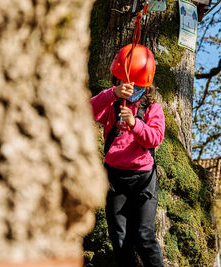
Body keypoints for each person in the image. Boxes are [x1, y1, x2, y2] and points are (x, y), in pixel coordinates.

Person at [90, 44, 165, 267]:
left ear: (146, 86)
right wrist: (111, 94)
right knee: (120, 238)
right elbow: (87, 111)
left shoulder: (152, 109)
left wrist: (135, 124)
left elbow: (155, 138)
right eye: (123, 83)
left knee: (144, 235)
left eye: (136, 85)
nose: (129, 88)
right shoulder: (111, 104)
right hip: (115, 179)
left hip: (143, 180)